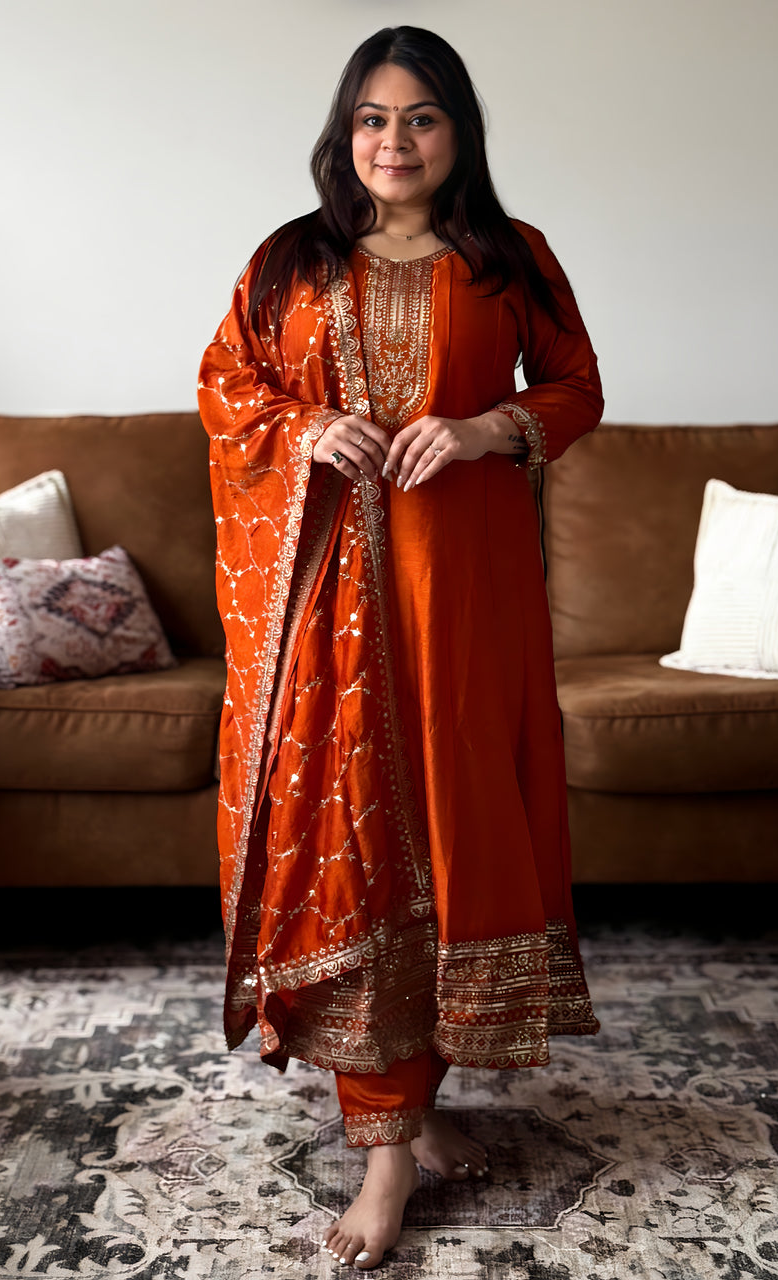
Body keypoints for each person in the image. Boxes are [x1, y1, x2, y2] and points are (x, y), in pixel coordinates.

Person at [198, 26, 602, 1269]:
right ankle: (385, 1148)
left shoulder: (508, 257)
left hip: (466, 604)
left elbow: (576, 387)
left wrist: (486, 429)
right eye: (373, 118)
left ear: (458, 133)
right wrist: (307, 425)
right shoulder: (290, 261)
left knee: (449, 823)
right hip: (326, 615)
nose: (395, 141)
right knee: (357, 841)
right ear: (343, 131)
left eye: (421, 118)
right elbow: (226, 386)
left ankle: (413, 1110)